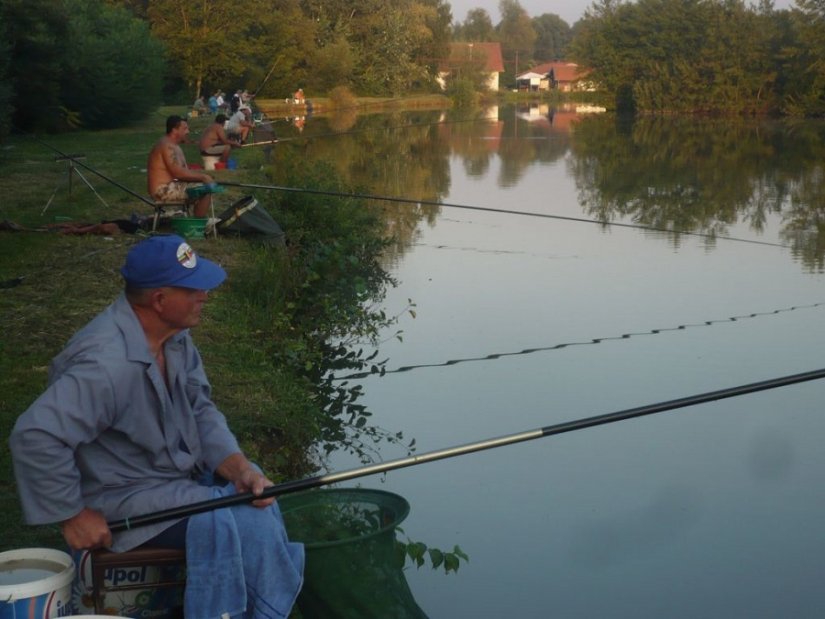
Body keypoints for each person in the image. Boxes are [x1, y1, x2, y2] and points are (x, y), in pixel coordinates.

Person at [10, 235, 304, 617]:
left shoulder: (175, 338)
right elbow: (36, 435)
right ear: (160, 300)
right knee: (249, 525)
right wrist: (73, 515)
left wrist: (240, 469)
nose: (205, 295)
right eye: (195, 288)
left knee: (257, 492)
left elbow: (200, 409)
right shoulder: (105, 366)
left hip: (176, 479)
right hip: (123, 495)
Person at [147, 115, 214, 217]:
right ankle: (197, 225)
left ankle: (195, 222)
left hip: (173, 186)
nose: (188, 131)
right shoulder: (166, 145)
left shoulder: (174, 146)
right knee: (204, 190)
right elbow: (177, 173)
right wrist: (203, 177)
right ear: (174, 130)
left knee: (204, 186)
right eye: (185, 128)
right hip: (161, 190)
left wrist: (203, 178)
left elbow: (184, 172)